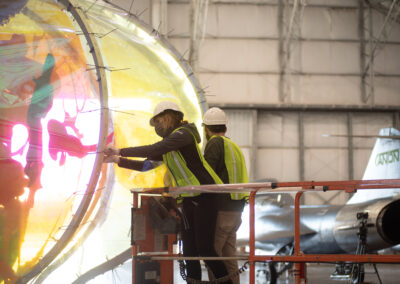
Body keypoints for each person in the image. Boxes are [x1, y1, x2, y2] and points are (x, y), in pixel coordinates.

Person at [103, 101, 232, 284]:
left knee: (205, 249)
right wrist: (117, 159)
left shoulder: (183, 134)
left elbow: (154, 149)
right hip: (189, 199)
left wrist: (120, 150)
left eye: (159, 121)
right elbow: (147, 164)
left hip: (205, 196)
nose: (157, 126)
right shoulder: (169, 145)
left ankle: (226, 282)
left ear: (170, 117)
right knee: (189, 250)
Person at [203, 107, 249, 284]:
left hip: (221, 210)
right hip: (236, 210)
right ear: (225, 128)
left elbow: (205, 176)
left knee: (212, 257)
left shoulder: (214, 144)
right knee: (229, 259)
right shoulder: (234, 146)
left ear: (206, 129)